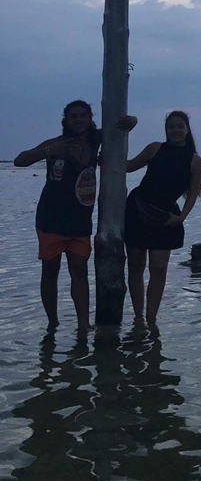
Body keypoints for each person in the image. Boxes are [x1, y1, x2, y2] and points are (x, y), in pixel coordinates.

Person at [13, 100, 137, 333]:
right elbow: (19, 161)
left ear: (90, 118)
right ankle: (53, 323)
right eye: (74, 117)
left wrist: (133, 121)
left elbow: (122, 127)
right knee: (50, 272)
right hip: (51, 219)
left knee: (79, 271)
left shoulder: (96, 140)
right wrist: (48, 152)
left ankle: (83, 325)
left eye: (83, 115)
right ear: (66, 121)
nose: (79, 120)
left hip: (80, 221)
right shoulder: (56, 144)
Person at [125, 110, 201, 326]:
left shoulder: (194, 160)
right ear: (166, 130)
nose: (175, 130)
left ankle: (152, 319)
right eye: (171, 126)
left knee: (159, 268)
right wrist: (108, 158)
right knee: (135, 264)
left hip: (166, 216)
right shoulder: (155, 148)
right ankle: (138, 316)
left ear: (187, 130)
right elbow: (128, 166)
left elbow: (192, 193)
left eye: (180, 126)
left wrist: (181, 218)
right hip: (138, 208)